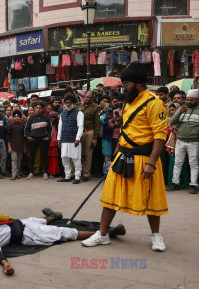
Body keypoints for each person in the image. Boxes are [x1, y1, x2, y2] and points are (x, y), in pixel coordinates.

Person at [82, 63, 168, 252]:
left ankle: (156, 236)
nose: (123, 87)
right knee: (109, 196)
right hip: (123, 155)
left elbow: (160, 135)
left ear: (138, 83)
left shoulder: (155, 103)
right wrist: (116, 154)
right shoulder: (128, 102)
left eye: (126, 84)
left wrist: (152, 163)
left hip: (145, 159)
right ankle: (102, 234)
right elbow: (125, 130)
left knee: (151, 198)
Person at [0, 213, 125, 275]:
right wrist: (5, 264)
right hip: (28, 234)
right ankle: (106, 233)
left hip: (21, 222)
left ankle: (53, 216)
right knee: (62, 232)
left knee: (41, 220)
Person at [167, 89, 199, 194]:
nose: (189, 102)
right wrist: (178, 113)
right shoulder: (182, 109)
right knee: (178, 163)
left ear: (197, 100)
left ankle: (193, 185)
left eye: (192, 100)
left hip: (194, 142)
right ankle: (175, 183)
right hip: (180, 141)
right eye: (188, 100)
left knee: (193, 164)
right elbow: (172, 122)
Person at [57, 95, 84, 184]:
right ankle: (67, 176)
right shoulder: (62, 114)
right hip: (64, 139)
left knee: (76, 159)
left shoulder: (79, 113)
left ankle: (77, 177)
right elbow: (60, 127)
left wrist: (77, 139)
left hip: (74, 139)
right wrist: (59, 139)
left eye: (70, 103)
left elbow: (80, 127)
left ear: (73, 104)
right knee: (64, 158)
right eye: (66, 103)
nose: (68, 104)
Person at [76, 91, 100, 181]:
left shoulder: (95, 108)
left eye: (90, 97)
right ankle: (75, 174)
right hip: (79, 132)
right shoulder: (78, 106)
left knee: (88, 154)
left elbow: (97, 124)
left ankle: (86, 174)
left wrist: (95, 138)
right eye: (87, 97)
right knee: (77, 154)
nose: (88, 99)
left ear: (93, 98)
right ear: (84, 96)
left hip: (89, 132)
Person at [25, 104, 52, 180]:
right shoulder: (31, 118)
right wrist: (28, 137)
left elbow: (50, 129)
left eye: (40, 108)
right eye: (37, 108)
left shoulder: (46, 118)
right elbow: (26, 129)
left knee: (44, 156)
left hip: (43, 139)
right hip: (33, 139)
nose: (38, 109)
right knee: (32, 156)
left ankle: (45, 172)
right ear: (35, 109)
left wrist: (48, 137)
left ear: (42, 109)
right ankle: (31, 173)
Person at [7, 110, 25, 180]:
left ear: (20, 118)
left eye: (18, 117)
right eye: (15, 117)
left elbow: (24, 137)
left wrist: (25, 147)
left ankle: (17, 173)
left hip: (20, 146)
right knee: (14, 160)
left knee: (19, 160)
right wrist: (9, 147)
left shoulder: (22, 125)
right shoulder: (10, 126)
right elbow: (8, 137)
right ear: (13, 118)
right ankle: (13, 174)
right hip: (13, 146)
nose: (16, 118)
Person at [47, 111, 60, 177]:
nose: (52, 118)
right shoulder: (47, 124)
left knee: (54, 159)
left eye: (53, 117)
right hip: (48, 143)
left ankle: (54, 172)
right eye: (51, 117)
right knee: (48, 158)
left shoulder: (58, 125)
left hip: (55, 144)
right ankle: (48, 172)